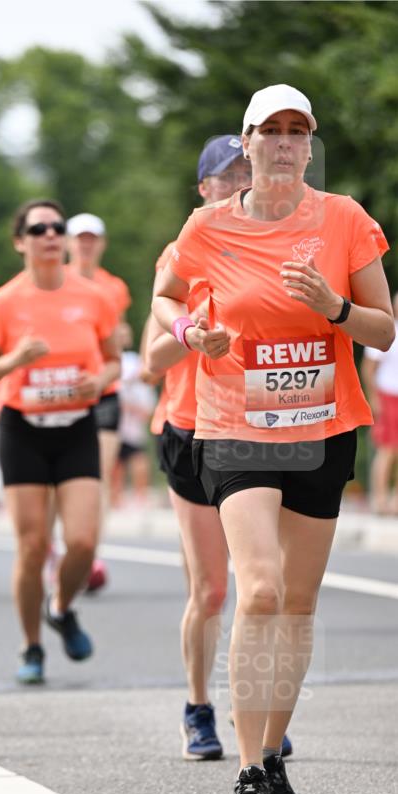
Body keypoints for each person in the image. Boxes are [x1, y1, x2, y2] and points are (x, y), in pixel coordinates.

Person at [152, 84, 393, 794]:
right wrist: (191, 333)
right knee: (255, 591)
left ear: (308, 144)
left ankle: (273, 757)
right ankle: (250, 775)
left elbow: (382, 331)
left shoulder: (344, 218)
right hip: (234, 425)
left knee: (295, 603)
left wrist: (331, 307)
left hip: (321, 429)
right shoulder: (206, 228)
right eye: (271, 131)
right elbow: (162, 300)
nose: (285, 143)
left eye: (298, 132)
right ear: (246, 142)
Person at [146, 136, 275, 761]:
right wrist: (193, 333)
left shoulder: (273, 242)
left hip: (252, 428)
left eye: (245, 171)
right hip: (192, 428)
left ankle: (251, 713)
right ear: (204, 189)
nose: (238, 181)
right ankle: (198, 707)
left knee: (262, 584)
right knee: (213, 590)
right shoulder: (184, 250)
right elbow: (151, 358)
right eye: (226, 175)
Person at [0, 199, 120, 684]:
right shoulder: (5, 301)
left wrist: (100, 381)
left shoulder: (92, 296)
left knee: (82, 542)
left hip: (75, 427)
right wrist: (14, 360)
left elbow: (115, 359)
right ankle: (31, 647)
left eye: (58, 227)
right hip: (23, 429)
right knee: (32, 547)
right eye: (39, 229)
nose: (50, 235)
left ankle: (62, 606)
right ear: (21, 242)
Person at [67, 212, 132, 591]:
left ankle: (92, 554)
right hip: (66, 392)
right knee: (66, 479)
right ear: (69, 244)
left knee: (99, 477)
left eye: (92, 239)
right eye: (80, 239)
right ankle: (67, 547)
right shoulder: (57, 281)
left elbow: (121, 333)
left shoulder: (113, 287)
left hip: (104, 390)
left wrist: (112, 335)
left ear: (101, 244)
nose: (86, 245)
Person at [362, 291, 398, 514]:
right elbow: (368, 368)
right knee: (387, 450)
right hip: (388, 396)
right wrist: (374, 398)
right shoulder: (386, 331)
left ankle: (395, 502)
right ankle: (380, 499)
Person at [112, 349, 157, 508]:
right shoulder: (117, 387)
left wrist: (130, 407)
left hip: (135, 434)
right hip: (117, 433)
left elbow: (147, 412)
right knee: (116, 467)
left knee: (139, 463)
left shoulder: (143, 389)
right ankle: (115, 500)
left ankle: (141, 498)